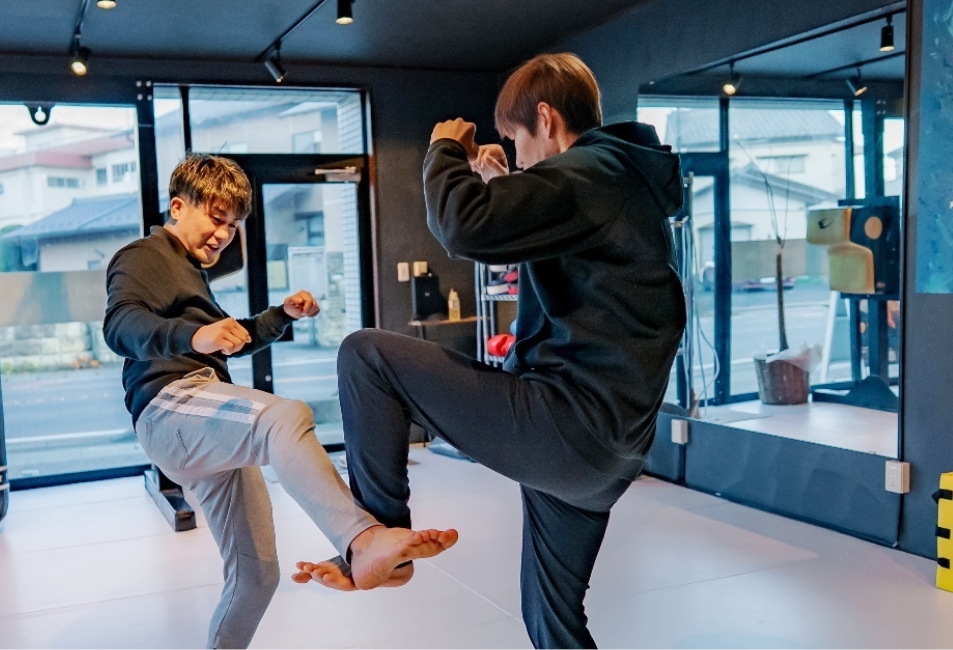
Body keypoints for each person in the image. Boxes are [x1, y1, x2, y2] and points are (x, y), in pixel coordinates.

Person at [294, 53, 686, 649]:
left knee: (365, 356)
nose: (520, 157)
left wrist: (444, 150)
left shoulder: (594, 172)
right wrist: (505, 186)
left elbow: (463, 226)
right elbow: (556, 253)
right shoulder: (621, 183)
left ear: (546, 120)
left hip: (566, 425)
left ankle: (378, 537)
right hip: (607, 454)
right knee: (551, 622)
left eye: (518, 140)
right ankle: (377, 546)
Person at [103, 155, 457, 650]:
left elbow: (235, 338)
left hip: (206, 416)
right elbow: (119, 326)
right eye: (216, 218)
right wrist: (194, 336)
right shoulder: (145, 255)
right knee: (284, 417)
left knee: (257, 577)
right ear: (178, 207)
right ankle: (361, 540)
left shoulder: (190, 272)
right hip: (171, 407)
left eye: (232, 226)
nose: (223, 235)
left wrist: (282, 315)